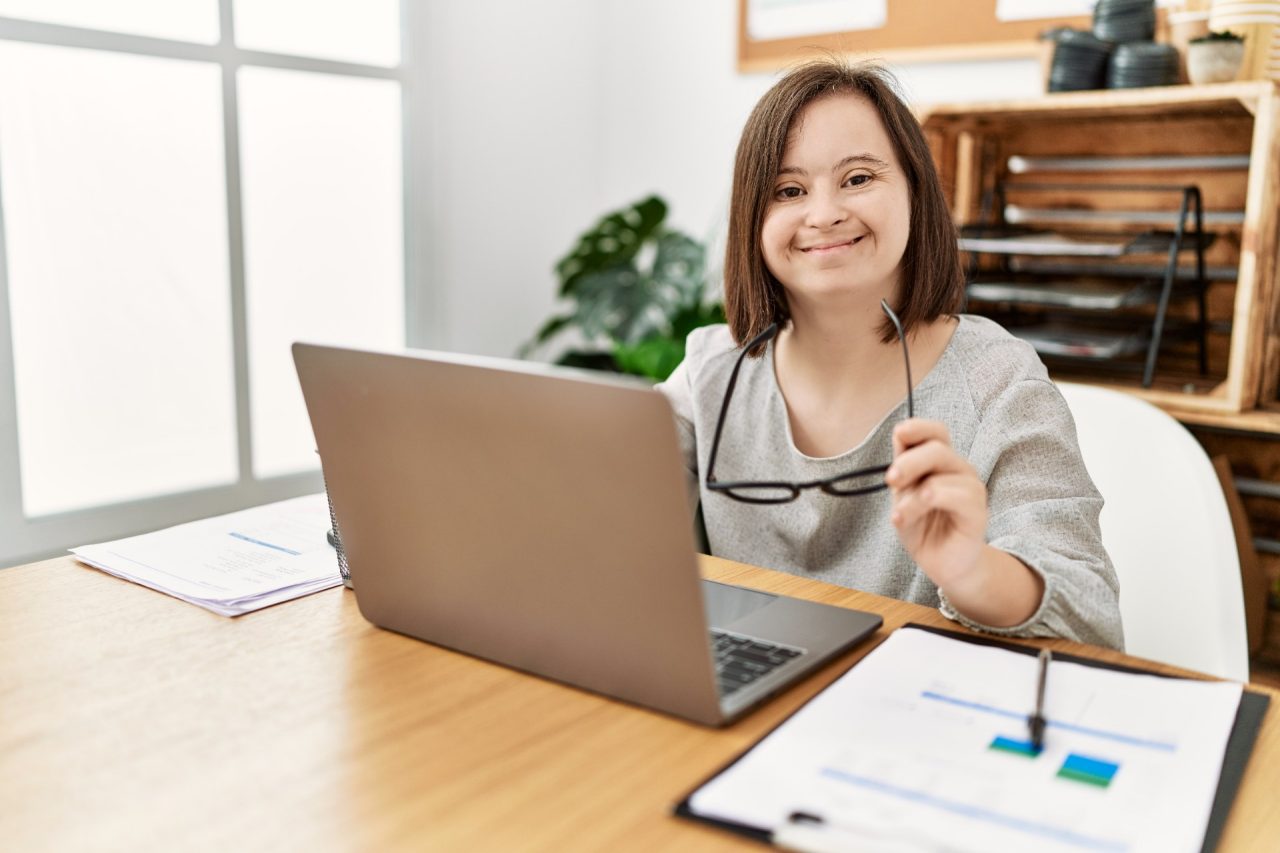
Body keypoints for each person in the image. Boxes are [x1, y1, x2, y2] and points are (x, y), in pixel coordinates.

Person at [657, 58, 1123, 649]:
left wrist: (969, 569)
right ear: (754, 218)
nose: (823, 214)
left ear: (914, 191)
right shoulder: (711, 371)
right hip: (748, 703)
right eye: (789, 190)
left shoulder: (996, 379)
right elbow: (600, 518)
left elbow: (1090, 617)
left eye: (857, 178)